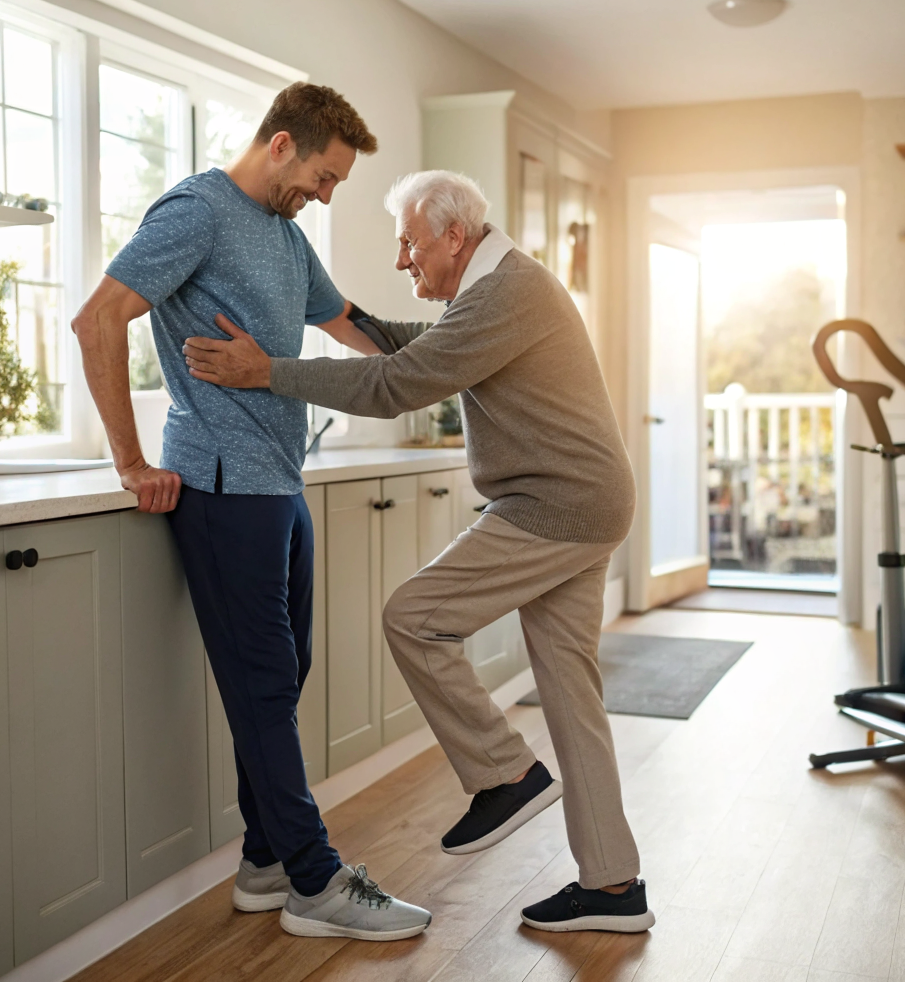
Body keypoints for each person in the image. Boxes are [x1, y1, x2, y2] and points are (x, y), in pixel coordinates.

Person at [181, 170, 654, 934]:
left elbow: (400, 385)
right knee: (570, 692)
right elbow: (424, 348)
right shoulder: (498, 286)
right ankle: (612, 887)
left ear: (454, 237)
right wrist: (344, 317)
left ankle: (505, 774)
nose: (405, 260)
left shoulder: (507, 293)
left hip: (554, 505)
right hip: (587, 501)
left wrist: (264, 372)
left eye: (409, 244)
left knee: (414, 616)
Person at [71, 83, 431, 942]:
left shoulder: (283, 234)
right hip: (223, 488)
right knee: (266, 686)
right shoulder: (197, 211)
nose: (327, 194)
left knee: (285, 675)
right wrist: (130, 460)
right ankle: (314, 880)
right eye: (324, 174)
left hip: (280, 485)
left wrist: (467, 342)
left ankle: (265, 863)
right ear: (280, 145)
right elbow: (97, 320)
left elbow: (349, 324)